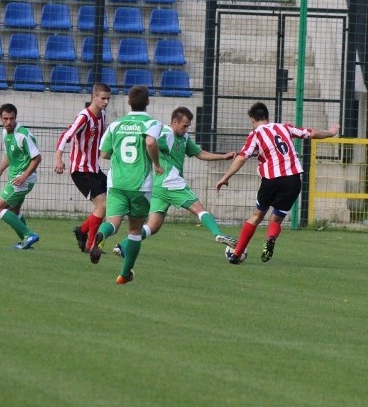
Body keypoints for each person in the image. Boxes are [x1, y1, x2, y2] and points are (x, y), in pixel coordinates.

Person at [215, 102, 339, 264]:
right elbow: (312, 133)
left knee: (256, 216)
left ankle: (237, 254)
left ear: (252, 119)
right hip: (293, 180)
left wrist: (225, 177)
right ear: (267, 116)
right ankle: (271, 237)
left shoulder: (256, 134)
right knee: (275, 219)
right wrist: (330, 133)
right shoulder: (284, 128)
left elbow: (242, 157)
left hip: (271, 180)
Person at [113, 106, 237, 260]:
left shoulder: (184, 138)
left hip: (159, 187)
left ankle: (122, 246)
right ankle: (219, 234)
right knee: (199, 209)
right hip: (171, 183)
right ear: (175, 122)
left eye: (188, 126)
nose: (186, 129)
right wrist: (155, 163)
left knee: (153, 226)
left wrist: (223, 157)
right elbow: (149, 142)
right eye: (184, 126)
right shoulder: (167, 133)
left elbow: (199, 153)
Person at [90, 85, 163, 284]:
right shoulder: (153, 123)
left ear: (128, 102)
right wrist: (156, 164)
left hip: (117, 184)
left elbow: (103, 153)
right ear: (148, 102)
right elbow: (150, 142)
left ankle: (100, 235)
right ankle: (125, 273)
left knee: (112, 223)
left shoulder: (115, 125)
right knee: (134, 231)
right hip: (140, 185)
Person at [54, 83, 112, 253]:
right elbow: (66, 135)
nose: (106, 102)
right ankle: (91, 245)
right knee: (101, 205)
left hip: (94, 169)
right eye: (103, 98)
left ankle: (82, 231)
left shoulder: (102, 115)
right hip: (81, 170)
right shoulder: (84, 117)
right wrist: (58, 158)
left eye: (108, 98)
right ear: (94, 97)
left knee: (112, 200)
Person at [0, 103, 42, 250]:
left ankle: (28, 234)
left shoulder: (23, 135)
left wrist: (24, 176)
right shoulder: (5, 133)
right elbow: (10, 154)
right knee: (14, 211)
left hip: (22, 180)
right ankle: (27, 242)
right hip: (17, 178)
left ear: (16, 118)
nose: (8, 122)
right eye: (5, 119)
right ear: (1, 118)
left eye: (11, 118)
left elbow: (37, 158)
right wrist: (0, 170)